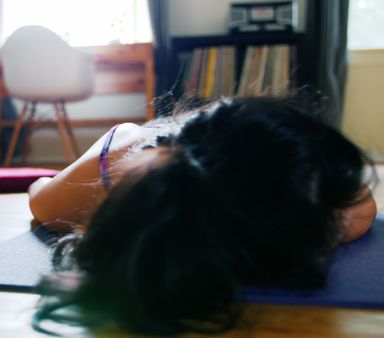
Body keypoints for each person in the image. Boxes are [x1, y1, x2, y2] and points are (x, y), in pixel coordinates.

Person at [27, 97, 378, 335]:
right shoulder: (109, 171)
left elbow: (359, 205)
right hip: (136, 144)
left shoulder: (309, 188)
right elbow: (40, 195)